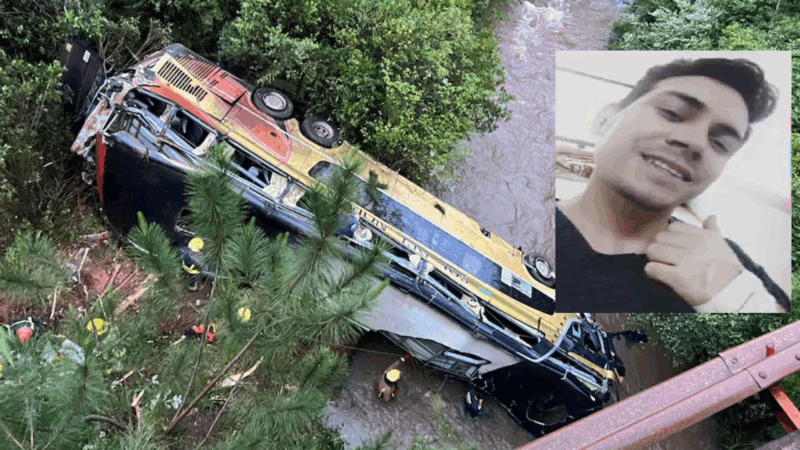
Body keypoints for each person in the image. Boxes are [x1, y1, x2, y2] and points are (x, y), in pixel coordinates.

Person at [556, 57, 790, 313]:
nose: (695, 142)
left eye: (720, 144)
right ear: (605, 120)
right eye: (672, 113)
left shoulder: (730, 265)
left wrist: (739, 299)